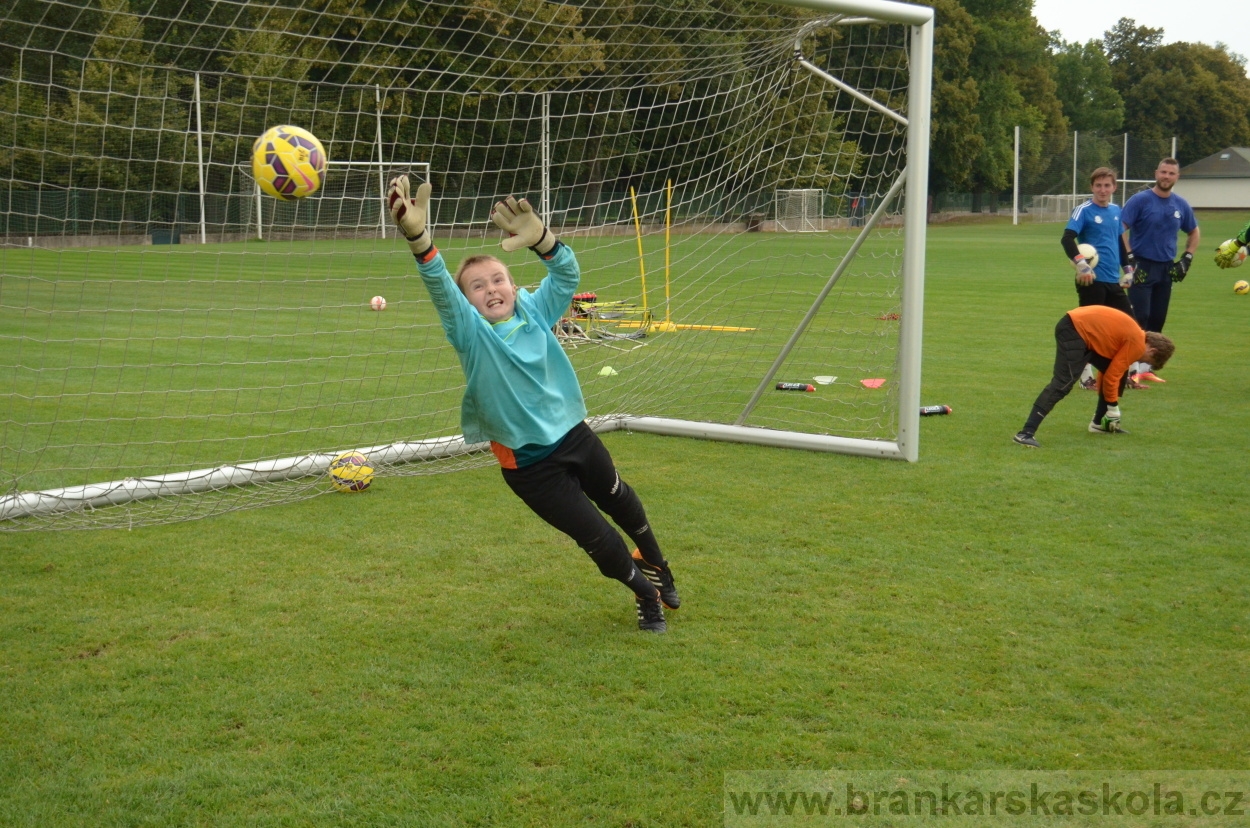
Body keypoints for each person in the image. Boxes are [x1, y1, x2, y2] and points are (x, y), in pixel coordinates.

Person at [386, 175, 679, 633]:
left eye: (497, 279)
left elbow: (567, 277)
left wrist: (544, 240)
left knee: (619, 499)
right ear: (467, 304)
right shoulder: (470, 334)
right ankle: (647, 595)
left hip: (574, 435)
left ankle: (658, 562)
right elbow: (441, 289)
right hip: (528, 464)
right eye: (477, 287)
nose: (491, 289)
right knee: (598, 539)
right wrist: (420, 241)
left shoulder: (536, 311)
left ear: (513, 284)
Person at [1013, 305, 1174, 449]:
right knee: (1063, 383)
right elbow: (1111, 376)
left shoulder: (1135, 335)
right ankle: (1025, 433)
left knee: (1120, 374)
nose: (1139, 361)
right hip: (1074, 329)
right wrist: (1113, 408)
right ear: (1152, 350)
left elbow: (1110, 372)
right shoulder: (1137, 344)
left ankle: (1098, 423)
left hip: (1079, 327)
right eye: (1147, 360)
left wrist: (1111, 405)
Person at [1120, 158, 1200, 383]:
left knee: (1157, 318)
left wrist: (1187, 258)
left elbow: (1194, 231)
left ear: (1177, 177)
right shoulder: (1140, 200)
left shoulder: (1180, 204)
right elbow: (1120, 228)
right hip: (1142, 266)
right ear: (1156, 173)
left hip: (1166, 268)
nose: (1166, 177)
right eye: (1163, 172)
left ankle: (1145, 369)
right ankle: (1130, 369)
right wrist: (1130, 259)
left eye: (1171, 173)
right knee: (1139, 318)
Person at [1059, 167, 1137, 389]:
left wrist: (1128, 270)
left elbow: (1119, 242)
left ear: (1114, 187)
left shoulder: (1115, 210)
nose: (1103, 190)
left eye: (1107, 185)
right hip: (1091, 281)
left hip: (1113, 281)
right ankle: (1086, 379)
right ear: (1092, 187)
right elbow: (1067, 238)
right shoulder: (1083, 210)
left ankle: (1124, 375)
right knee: (1090, 331)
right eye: (1098, 185)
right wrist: (1082, 264)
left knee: (1130, 327)